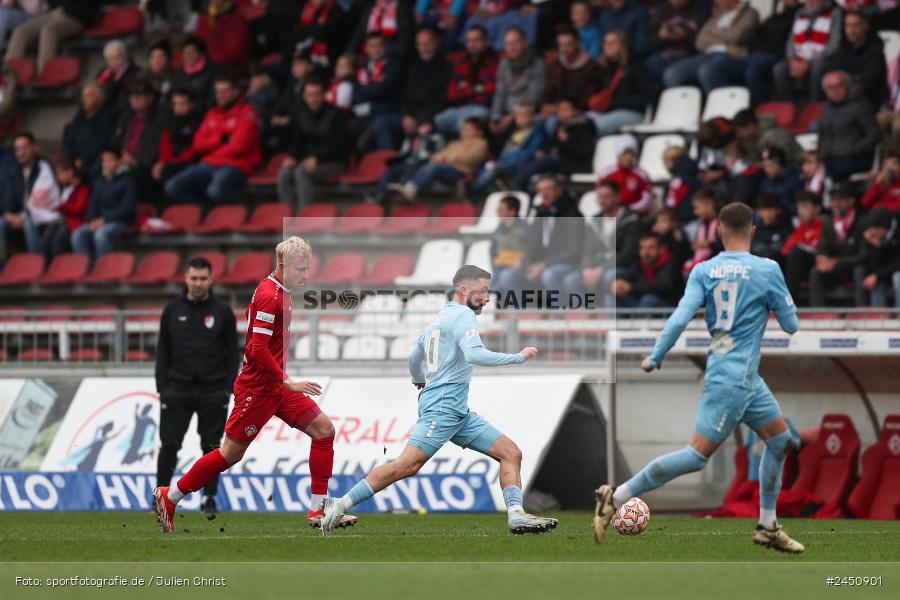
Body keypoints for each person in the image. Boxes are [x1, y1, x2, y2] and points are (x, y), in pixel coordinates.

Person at [592, 201, 805, 554]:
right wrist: (778, 302)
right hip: (732, 379)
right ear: (753, 231)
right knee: (696, 456)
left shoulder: (703, 270)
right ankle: (616, 496)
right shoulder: (768, 269)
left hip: (744, 377)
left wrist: (656, 356)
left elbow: (679, 317)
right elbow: (791, 325)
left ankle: (768, 526)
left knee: (781, 442)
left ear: (718, 232)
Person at [320, 265, 557, 536]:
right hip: (443, 408)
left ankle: (516, 515)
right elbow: (475, 355)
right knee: (406, 465)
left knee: (510, 453)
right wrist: (518, 357)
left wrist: (418, 379)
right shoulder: (463, 317)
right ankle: (339, 504)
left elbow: (413, 357)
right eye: (483, 291)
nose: (487, 298)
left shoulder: (440, 318)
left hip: (457, 411)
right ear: (463, 290)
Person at [153, 237, 359, 532]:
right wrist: (287, 380)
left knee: (324, 430)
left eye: (307, 269)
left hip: (276, 388)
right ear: (284, 266)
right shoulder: (269, 296)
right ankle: (170, 496)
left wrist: (283, 383)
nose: (305, 275)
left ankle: (318, 508)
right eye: (301, 269)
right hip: (259, 390)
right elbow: (255, 349)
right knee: (229, 455)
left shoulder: (282, 292)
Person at [155, 256, 239, 519]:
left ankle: (209, 499)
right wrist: (162, 387)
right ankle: (160, 495)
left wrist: (228, 388)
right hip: (176, 390)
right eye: (194, 278)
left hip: (213, 392)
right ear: (186, 278)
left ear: (211, 280)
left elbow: (232, 353)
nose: (199, 283)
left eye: (203, 278)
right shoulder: (172, 309)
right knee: (169, 445)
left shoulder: (222, 312)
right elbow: (162, 351)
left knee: (213, 448)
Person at [164, 77, 262, 206]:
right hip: (209, 163)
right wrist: (222, 139)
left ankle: (245, 214)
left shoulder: (247, 113)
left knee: (215, 191)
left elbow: (240, 146)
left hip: (236, 164)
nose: (220, 95)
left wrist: (212, 146)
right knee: (172, 187)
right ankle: (207, 214)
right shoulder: (212, 114)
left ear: (236, 92)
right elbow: (197, 145)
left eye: (224, 91)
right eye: (217, 91)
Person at [372, 26, 450, 150]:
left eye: (428, 44)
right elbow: (406, 97)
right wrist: (406, 115)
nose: (424, 48)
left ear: (436, 43)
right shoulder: (413, 67)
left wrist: (426, 117)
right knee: (382, 122)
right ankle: (388, 159)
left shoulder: (446, 67)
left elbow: (445, 100)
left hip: (432, 117)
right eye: (420, 44)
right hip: (412, 115)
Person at [277, 79, 350, 209]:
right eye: (310, 95)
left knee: (301, 172)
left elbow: (340, 146)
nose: (313, 99)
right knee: (284, 172)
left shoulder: (336, 114)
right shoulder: (299, 113)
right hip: (308, 161)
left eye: (317, 94)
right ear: (304, 96)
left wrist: (318, 158)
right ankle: (287, 214)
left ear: (324, 94)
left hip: (334, 162)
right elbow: (296, 142)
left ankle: (304, 216)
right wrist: (292, 156)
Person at [662, 0, 759, 93]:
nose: (715, 2)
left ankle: (719, 107)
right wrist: (724, 33)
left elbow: (736, 36)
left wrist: (713, 34)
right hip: (708, 55)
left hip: (731, 55)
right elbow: (700, 42)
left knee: (707, 71)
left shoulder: (750, 13)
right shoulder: (717, 15)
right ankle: (688, 107)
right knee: (672, 73)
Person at [390, 117, 488, 202]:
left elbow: (474, 158)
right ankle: (406, 186)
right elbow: (436, 156)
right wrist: (440, 158)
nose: (464, 132)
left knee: (433, 168)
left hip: (461, 171)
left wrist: (451, 159)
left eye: (469, 129)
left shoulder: (481, 144)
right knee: (424, 165)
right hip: (445, 168)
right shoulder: (455, 143)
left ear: (479, 132)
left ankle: (411, 189)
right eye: (463, 129)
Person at [0, 132, 59, 257]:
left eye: (25, 148)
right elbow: (7, 196)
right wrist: (8, 214)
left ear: (34, 147)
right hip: (19, 213)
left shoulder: (43, 168)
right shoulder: (13, 170)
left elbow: (41, 201)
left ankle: (36, 262)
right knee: (1, 223)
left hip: (40, 213)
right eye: (17, 149)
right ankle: (4, 267)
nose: (21, 153)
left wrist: (23, 216)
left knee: (28, 223)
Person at [772, 0, 841, 104]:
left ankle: (812, 106)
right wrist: (792, 59)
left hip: (822, 59)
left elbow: (834, 45)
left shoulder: (835, 13)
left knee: (818, 68)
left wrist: (809, 63)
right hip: (799, 59)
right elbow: (792, 39)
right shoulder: (800, 13)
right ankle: (787, 106)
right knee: (779, 69)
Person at [71, 147, 135, 259]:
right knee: (77, 235)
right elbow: (92, 204)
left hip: (120, 221)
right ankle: (86, 269)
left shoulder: (128, 181)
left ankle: (105, 269)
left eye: (110, 160)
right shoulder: (100, 182)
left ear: (119, 161)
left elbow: (126, 208)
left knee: (101, 235)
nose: (106, 164)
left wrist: (105, 220)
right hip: (100, 221)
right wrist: (92, 220)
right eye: (104, 161)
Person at [525, 174, 584, 293]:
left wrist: (545, 265)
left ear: (558, 190)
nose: (544, 193)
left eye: (548, 189)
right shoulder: (540, 212)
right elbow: (532, 243)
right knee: (510, 274)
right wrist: (525, 261)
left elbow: (574, 251)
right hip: (542, 263)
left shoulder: (572, 214)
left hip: (567, 263)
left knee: (549, 275)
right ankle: (518, 311)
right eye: (541, 190)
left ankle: (560, 311)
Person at [585, 30, 652, 136]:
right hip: (607, 111)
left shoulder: (636, 66)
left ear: (622, 45)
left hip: (632, 112)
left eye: (613, 43)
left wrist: (617, 102)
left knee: (595, 126)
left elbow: (648, 96)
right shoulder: (603, 68)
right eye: (606, 43)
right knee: (579, 122)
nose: (608, 46)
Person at [818, 70, 880, 181]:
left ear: (848, 85)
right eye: (830, 87)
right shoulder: (826, 108)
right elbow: (822, 133)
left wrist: (855, 149)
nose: (835, 91)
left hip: (855, 159)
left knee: (831, 173)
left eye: (839, 86)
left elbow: (874, 134)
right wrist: (823, 149)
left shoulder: (861, 106)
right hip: (830, 157)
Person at [435, 25, 498, 134]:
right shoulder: (461, 62)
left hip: (482, 108)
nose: (472, 45)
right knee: (437, 121)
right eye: (469, 41)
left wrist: (467, 89)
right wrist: (476, 89)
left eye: (476, 40)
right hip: (459, 108)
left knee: (466, 124)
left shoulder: (495, 62)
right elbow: (452, 93)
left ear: (486, 41)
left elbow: (491, 91)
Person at [809, 182, 864, 306]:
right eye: (833, 199)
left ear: (852, 200)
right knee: (816, 271)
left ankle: (862, 311)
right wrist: (821, 257)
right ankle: (817, 314)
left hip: (855, 268)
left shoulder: (862, 221)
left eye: (841, 199)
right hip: (836, 269)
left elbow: (864, 256)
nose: (836, 203)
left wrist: (836, 261)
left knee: (860, 270)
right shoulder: (828, 223)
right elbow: (823, 247)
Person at [4, 0, 99, 72]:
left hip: (77, 17)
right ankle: (7, 73)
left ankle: (43, 72)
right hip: (57, 12)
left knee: (49, 30)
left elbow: (90, 10)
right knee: (21, 31)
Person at [821, 11, 887, 110]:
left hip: (867, 102)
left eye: (855, 25)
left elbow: (868, 85)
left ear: (865, 26)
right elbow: (832, 72)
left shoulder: (875, 51)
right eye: (847, 26)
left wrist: (842, 81)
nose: (851, 31)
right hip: (842, 100)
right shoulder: (843, 48)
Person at [473, 103, 545, 194]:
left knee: (495, 169)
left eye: (524, 116)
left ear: (531, 117)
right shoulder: (515, 132)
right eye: (518, 116)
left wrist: (507, 160)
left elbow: (531, 152)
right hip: (505, 161)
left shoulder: (536, 133)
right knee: (487, 166)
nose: (520, 119)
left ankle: (474, 191)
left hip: (518, 165)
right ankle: (479, 188)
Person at [374, 113, 445, 203]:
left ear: (432, 126)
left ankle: (399, 194)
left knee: (409, 170)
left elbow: (437, 153)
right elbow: (403, 152)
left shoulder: (437, 138)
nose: (423, 128)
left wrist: (425, 137)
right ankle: (381, 194)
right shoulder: (412, 137)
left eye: (426, 125)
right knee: (389, 172)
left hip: (423, 163)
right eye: (421, 125)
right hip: (407, 161)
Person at [489, 27, 545, 138]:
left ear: (524, 43)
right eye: (508, 44)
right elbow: (500, 93)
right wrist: (495, 117)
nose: (511, 48)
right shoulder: (504, 64)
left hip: (526, 113)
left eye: (515, 43)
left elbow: (535, 96)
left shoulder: (537, 64)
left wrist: (512, 116)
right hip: (505, 114)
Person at [744, 0, 800, 104]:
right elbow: (756, 35)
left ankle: (762, 106)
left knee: (752, 70)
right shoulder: (775, 16)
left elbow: (788, 40)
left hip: (777, 53)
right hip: (756, 54)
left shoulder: (799, 14)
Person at [611, 232, 683, 308]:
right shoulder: (639, 265)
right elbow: (628, 275)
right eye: (642, 248)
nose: (646, 252)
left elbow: (663, 286)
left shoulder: (670, 265)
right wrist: (619, 283)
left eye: (651, 247)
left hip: (668, 308)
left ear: (661, 249)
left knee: (648, 300)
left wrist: (631, 287)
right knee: (616, 293)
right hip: (642, 308)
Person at [541, 29, 598, 120]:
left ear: (577, 43)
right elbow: (548, 90)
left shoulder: (591, 67)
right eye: (561, 45)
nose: (563, 49)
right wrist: (545, 105)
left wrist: (562, 108)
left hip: (579, 112)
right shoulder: (555, 65)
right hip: (554, 111)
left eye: (568, 44)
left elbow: (587, 98)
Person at [153, 88, 204, 188]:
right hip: (171, 162)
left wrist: (169, 163)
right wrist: (162, 162)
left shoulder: (199, 121)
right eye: (175, 104)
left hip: (192, 162)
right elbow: (165, 145)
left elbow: (195, 149)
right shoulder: (170, 120)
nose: (178, 108)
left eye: (182, 104)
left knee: (168, 171)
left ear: (192, 104)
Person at [644, 0, 708, 79]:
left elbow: (704, 43)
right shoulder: (660, 11)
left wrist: (686, 36)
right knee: (649, 65)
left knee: (672, 74)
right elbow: (649, 45)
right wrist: (661, 37)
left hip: (691, 55)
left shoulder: (700, 10)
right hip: (667, 55)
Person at [62, 83, 115, 176]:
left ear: (100, 98)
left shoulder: (107, 117)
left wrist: (83, 159)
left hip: (94, 162)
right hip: (75, 161)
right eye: (83, 96)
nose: (83, 100)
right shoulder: (79, 117)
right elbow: (69, 136)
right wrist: (70, 158)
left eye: (89, 96)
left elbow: (100, 143)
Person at [44, 156, 89, 260]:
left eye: (60, 173)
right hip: (60, 221)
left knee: (58, 241)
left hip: (74, 222)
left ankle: (61, 269)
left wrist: (59, 206)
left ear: (70, 171)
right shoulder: (62, 188)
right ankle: (47, 269)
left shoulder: (83, 188)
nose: (58, 177)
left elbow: (78, 209)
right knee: (46, 240)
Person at [595, 134, 653, 215]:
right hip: (611, 212)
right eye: (625, 153)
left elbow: (647, 200)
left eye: (631, 153)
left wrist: (629, 210)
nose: (629, 157)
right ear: (618, 154)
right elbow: (600, 195)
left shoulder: (642, 175)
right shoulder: (606, 174)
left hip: (635, 215)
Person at [782, 191, 823, 300]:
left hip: (815, 265)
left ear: (817, 209)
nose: (800, 212)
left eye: (805, 207)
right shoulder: (800, 228)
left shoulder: (823, 226)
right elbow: (785, 250)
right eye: (799, 207)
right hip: (796, 267)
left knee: (796, 253)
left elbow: (818, 250)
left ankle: (790, 299)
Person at [854, 208, 900, 307]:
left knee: (898, 277)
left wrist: (878, 275)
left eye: (876, 230)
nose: (873, 233)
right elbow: (874, 266)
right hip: (886, 270)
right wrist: (878, 247)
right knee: (873, 280)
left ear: (885, 228)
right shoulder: (872, 235)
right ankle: (879, 315)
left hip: (896, 269)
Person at [194, 0, 249, 76]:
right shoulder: (204, 18)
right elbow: (197, 46)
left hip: (231, 72)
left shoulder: (237, 17)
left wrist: (214, 25)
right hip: (207, 71)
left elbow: (229, 56)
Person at [490, 195, 529, 298]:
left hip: (522, 270)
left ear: (512, 212)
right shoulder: (498, 231)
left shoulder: (525, 229)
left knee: (506, 276)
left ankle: (521, 310)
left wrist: (524, 260)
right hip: (500, 269)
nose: (498, 212)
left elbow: (534, 250)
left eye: (501, 210)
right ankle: (495, 312)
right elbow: (492, 252)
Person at [170, 36, 219, 111]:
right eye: (185, 53)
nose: (188, 56)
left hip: (205, 113)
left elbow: (214, 98)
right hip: (181, 113)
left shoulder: (213, 70)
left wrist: (195, 107)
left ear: (201, 53)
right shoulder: (178, 74)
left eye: (192, 52)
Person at [96, 39, 142, 117]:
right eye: (110, 59)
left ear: (125, 57)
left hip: (123, 113)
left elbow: (130, 97)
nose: (113, 62)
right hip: (103, 109)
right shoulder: (104, 72)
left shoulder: (135, 73)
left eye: (117, 58)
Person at [759, 146, 803, 216]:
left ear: (780, 165)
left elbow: (800, 208)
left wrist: (781, 205)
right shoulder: (765, 183)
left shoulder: (794, 180)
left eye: (770, 166)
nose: (766, 170)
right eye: (765, 166)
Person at [751, 193, 793, 263]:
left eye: (770, 209)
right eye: (764, 209)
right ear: (759, 212)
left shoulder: (786, 230)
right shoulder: (753, 229)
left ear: (778, 210)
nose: (767, 213)